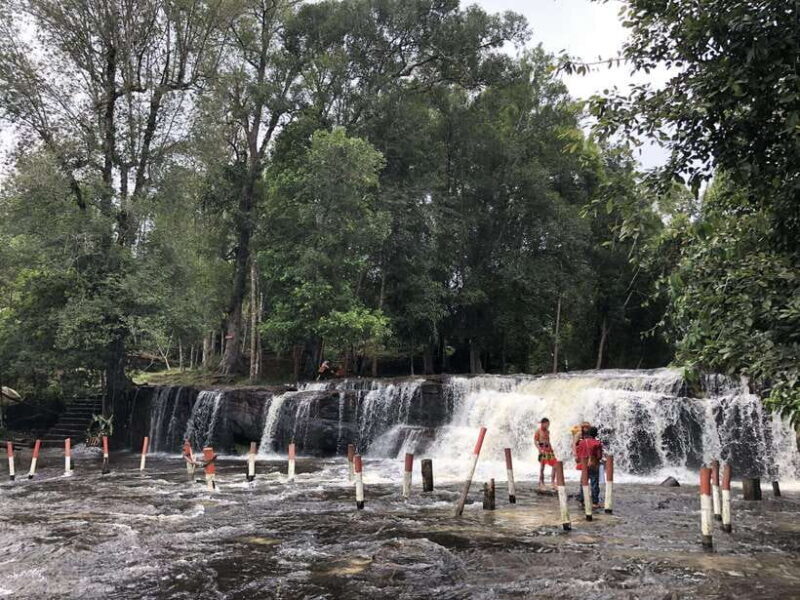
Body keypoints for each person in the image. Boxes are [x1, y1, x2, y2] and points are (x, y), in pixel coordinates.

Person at [576, 426, 603, 508]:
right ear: (596, 434)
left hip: (583, 465)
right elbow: (599, 456)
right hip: (593, 465)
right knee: (594, 483)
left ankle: (581, 501)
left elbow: (578, 454)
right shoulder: (597, 443)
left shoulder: (581, 442)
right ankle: (595, 502)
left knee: (583, 482)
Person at [534, 418, 557, 489]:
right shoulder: (538, 431)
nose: (548, 425)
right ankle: (541, 482)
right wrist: (539, 449)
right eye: (547, 424)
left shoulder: (547, 431)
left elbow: (548, 441)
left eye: (549, 424)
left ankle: (552, 482)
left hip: (548, 449)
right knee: (542, 467)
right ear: (543, 423)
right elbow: (535, 441)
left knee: (555, 464)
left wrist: (552, 449)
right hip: (542, 449)